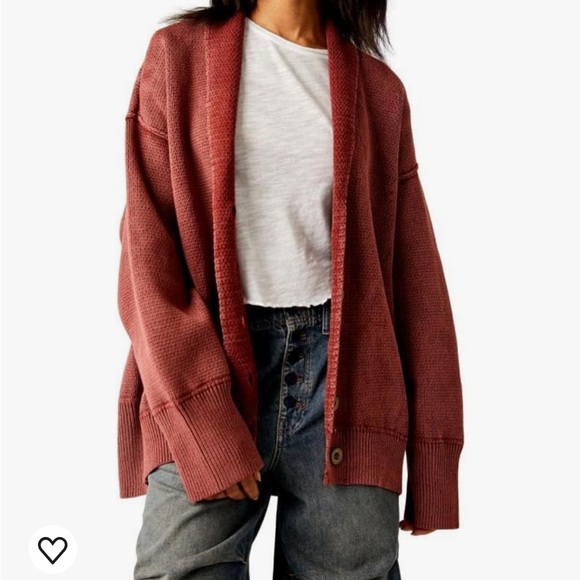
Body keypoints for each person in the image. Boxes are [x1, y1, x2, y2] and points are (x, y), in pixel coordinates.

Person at [116, 0, 465, 578]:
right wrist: (203, 417)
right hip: (209, 367)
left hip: (348, 386)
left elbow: (416, 279)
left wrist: (434, 454)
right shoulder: (178, 58)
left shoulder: (380, 91)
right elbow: (146, 257)